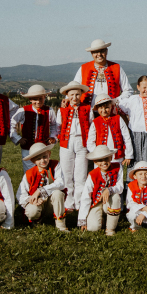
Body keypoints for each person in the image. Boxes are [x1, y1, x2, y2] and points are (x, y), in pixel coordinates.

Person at [56, 81, 93, 211]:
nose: (74, 97)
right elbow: (58, 125)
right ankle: (68, 202)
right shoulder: (63, 109)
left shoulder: (87, 109)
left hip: (82, 142)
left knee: (81, 173)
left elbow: (91, 125)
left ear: (81, 95)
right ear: (67, 95)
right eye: (72, 95)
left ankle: (79, 202)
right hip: (67, 142)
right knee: (67, 172)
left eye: (77, 94)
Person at [16, 143, 68, 231]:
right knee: (32, 211)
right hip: (37, 203)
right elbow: (20, 195)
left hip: (51, 202)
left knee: (58, 193)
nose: (42, 160)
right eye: (38, 159)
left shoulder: (55, 165)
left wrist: (40, 190)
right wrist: (32, 200)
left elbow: (61, 183)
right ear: (33, 161)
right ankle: (37, 220)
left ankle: (61, 225)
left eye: (45, 157)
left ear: (49, 154)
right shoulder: (29, 174)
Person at [10, 84, 58, 172]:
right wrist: (18, 138)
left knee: (43, 170)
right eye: (35, 99)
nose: (38, 101)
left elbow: (54, 125)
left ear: (44, 97)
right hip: (27, 147)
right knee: (29, 171)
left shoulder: (49, 110)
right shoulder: (23, 110)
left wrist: (53, 137)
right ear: (30, 99)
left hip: (43, 147)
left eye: (41, 98)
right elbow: (11, 123)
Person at [79, 145, 124, 236]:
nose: (103, 162)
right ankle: (102, 219)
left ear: (111, 157)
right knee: (93, 228)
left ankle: (110, 228)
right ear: (95, 161)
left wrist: (109, 190)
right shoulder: (92, 174)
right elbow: (85, 197)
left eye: (106, 158)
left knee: (115, 197)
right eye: (100, 160)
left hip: (110, 201)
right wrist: (82, 220)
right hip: (97, 202)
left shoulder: (118, 167)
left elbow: (120, 186)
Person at [72, 39, 133, 106]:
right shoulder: (83, 68)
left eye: (102, 51)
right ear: (92, 54)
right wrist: (67, 100)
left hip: (110, 112)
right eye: (96, 52)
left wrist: (116, 101)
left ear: (106, 51)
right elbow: (73, 88)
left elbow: (128, 90)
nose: (99, 54)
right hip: (88, 113)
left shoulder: (117, 68)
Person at [87, 95, 134, 167]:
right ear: (97, 109)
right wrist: (96, 153)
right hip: (101, 157)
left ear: (111, 107)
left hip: (117, 156)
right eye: (101, 108)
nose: (104, 110)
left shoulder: (118, 119)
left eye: (106, 107)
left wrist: (128, 155)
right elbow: (90, 141)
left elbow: (126, 137)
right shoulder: (95, 122)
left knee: (117, 173)